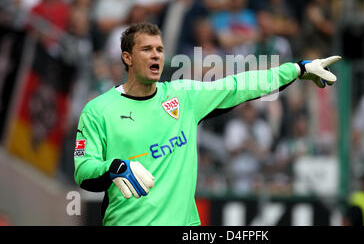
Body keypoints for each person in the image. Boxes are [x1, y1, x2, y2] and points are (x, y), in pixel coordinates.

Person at [73, 22, 341, 226]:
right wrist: (114, 168)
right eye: (146, 50)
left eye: (159, 50)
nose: (155, 56)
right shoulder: (99, 111)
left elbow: (240, 85)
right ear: (127, 58)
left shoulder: (183, 97)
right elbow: (84, 170)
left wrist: (297, 69)